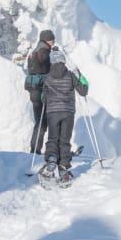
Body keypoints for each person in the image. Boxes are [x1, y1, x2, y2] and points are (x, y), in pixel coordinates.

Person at [41, 48, 89, 185]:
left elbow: (43, 97)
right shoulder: (70, 75)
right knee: (64, 140)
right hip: (68, 113)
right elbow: (84, 90)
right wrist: (79, 75)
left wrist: (47, 96)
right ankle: (64, 167)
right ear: (63, 60)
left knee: (53, 138)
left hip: (53, 113)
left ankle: (51, 160)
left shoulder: (48, 77)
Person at [25, 29, 55, 154]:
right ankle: (36, 150)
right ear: (47, 40)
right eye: (52, 39)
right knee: (43, 123)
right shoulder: (44, 52)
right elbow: (48, 71)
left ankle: (35, 148)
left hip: (34, 91)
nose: (53, 42)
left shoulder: (34, 52)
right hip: (41, 90)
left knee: (40, 121)